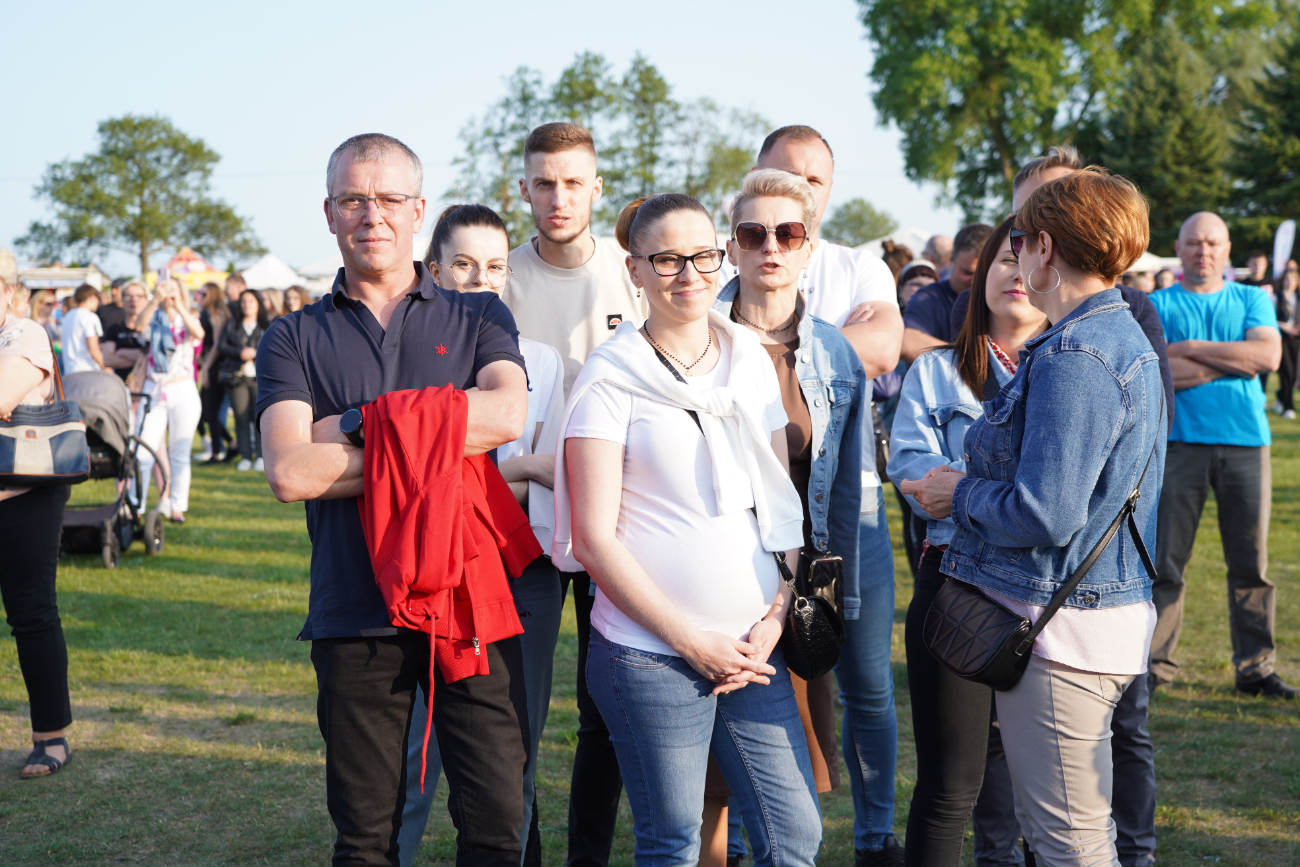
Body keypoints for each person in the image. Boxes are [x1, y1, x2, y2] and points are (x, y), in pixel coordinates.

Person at [257, 133, 531, 867]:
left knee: (498, 823)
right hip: (354, 606)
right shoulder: (290, 335)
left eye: (386, 199)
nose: (370, 214)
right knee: (366, 837)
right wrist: (441, 432)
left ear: (417, 211)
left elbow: (505, 417)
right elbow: (288, 472)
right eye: (353, 199)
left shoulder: (479, 316)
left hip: (467, 598)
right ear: (329, 212)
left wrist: (351, 427)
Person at [901, 167, 1166, 866]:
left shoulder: (1078, 352)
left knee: (1067, 843)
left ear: (1045, 247)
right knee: (1076, 834)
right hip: (1077, 620)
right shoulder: (1101, 335)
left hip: (1064, 633)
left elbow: (1045, 513)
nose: (1012, 253)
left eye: (1018, 238)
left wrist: (956, 492)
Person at [554, 192, 821, 867]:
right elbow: (591, 538)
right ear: (635, 269)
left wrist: (776, 615)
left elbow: (778, 502)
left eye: (703, 254)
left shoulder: (748, 362)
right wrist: (688, 639)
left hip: (754, 647)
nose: (690, 273)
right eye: (667, 258)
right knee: (674, 841)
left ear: (722, 255)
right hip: (651, 653)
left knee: (793, 834)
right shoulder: (610, 380)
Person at [742, 123, 904, 867]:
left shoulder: (858, 263)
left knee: (865, 680)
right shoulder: (719, 306)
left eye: (813, 182)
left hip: (849, 515)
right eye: (783, 174)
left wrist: (816, 335)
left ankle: (876, 835)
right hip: (749, 535)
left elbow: (880, 348)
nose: (798, 190)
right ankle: (749, 835)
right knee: (754, 684)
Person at [396, 203, 568, 867]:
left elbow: (553, 472)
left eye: (494, 266)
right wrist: (512, 463)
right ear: (432, 270)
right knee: (414, 746)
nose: (480, 279)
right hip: (427, 568)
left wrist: (511, 465)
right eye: (463, 265)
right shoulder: (405, 351)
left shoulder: (544, 363)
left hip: (519, 571)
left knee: (512, 748)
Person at [498, 121, 646, 867]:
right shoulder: (497, 275)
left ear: (596, 187)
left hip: (613, 521)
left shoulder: (634, 274)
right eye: (543, 183)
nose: (557, 197)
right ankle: (519, 849)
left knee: (605, 708)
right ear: (522, 188)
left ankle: (588, 854)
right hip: (518, 526)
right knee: (513, 710)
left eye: (572, 182)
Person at [710, 169, 867, 862]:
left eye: (788, 232)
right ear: (732, 247)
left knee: (789, 780)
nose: (770, 246)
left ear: (809, 248)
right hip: (711, 574)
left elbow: (846, 494)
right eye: (753, 233)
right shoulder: (693, 337)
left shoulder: (835, 352)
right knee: (709, 790)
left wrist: (840, 596)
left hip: (796, 585)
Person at [887, 217, 1047, 866]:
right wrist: (1022, 497)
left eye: (1028, 258)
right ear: (979, 279)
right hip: (957, 582)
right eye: (1000, 261)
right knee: (952, 783)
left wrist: (972, 487)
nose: (1014, 271)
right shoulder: (935, 372)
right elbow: (919, 482)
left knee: (1052, 792)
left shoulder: (1074, 369)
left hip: (1053, 592)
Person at [1148, 212, 1295, 698]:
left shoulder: (1252, 297)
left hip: (1246, 445)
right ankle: (1153, 666)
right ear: (1179, 246)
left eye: (1212, 243)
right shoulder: (1155, 304)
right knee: (1166, 564)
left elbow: (1268, 358)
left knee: (1250, 564)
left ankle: (1255, 669)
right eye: (1193, 243)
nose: (1202, 251)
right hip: (1177, 446)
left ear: (1227, 249)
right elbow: (1157, 372)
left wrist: (1188, 350)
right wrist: (1233, 360)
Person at [0, 275, 75, 780]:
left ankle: (52, 737)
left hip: (24, 490)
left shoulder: (22, 335)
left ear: (7, 293)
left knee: (30, 612)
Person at [133, 277, 205, 524]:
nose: (169, 294)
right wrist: (155, 300)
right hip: (154, 388)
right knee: (142, 452)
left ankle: (177, 507)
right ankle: (136, 506)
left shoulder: (188, 318)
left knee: (180, 452)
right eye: (166, 289)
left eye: (173, 289)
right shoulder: (152, 316)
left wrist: (179, 305)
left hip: (183, 389)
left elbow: (198, 333)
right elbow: (138, 328)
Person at [901, 224, 993, 362]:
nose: (975, 282)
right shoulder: (927, 298)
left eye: (983, 274)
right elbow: (907, 342)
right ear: (951, 260)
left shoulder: (1004, 298)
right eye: (967, 272)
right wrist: (973, 360)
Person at [218, 289, 267, 471]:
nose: (247, 305)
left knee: (259, 418)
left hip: (258, 378)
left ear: (258, 304)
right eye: (244, 302)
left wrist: (256, 353)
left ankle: (261, 456)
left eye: (251, 301)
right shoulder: (233, 324)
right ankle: (245, 456)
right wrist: (239, 353)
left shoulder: (266, 324)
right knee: (240, 417)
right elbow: (222, 345)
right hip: (236, 378)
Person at [196, 282, 232, 461]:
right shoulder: (207, 313)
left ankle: (219, 451)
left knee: (210, 411)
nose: (199, 297)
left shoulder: (216, 313)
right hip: (210, 364)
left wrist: (207, 366)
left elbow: (217, 344)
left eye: (203, 294)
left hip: (217, 366)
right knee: (206, 411)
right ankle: (229, 444)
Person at [101, 281, 150, 385]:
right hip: (122, 386)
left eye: (139, 296)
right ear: (122, 300)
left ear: (146, 300)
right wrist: (142, 359)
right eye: (129, 296)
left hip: (149, 386)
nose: (134, 300)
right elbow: (108, 360)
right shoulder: (114, 329)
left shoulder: (153, 328)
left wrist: (122, 353)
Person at [61, 284, 108, 374]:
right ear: (93, 298)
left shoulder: (67, 316)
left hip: (69, 371)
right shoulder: (90, 317)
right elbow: (93, 349)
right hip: (87, 371)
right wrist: (106, 368)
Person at [1273, 267, 1300, 418]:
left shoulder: (1298, 297)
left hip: (1297, 339)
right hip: (1281, 338)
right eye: (1287, 280)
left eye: (1293, 280)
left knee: (1294, 373)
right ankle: (1288, 407)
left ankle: (1280, 396)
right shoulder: (1276, 298)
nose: (1290, 283)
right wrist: (1285, 326)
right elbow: (1269, 319)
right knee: (1286, 372)